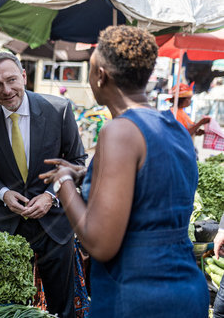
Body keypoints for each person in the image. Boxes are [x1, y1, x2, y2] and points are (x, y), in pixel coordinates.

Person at [40, 26, 209, 317]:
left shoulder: (118, 131)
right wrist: (87, 175)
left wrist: (63, 182)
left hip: (137, 294)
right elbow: (153, 185)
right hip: (186, 289)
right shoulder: (176, 128)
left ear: (100, 74)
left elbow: (100, 244)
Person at [0, 52, 86, 317]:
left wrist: (50, 195)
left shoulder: (59, 108)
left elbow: (77, 160)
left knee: (62, 306)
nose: (6, 90)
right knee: (14, 306)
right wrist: (3, 193)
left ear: (24, 76)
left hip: (56, 223)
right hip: (12, 224)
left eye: (11, 80)